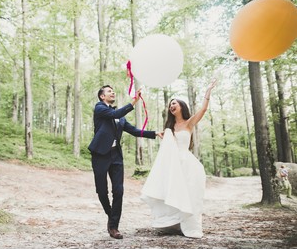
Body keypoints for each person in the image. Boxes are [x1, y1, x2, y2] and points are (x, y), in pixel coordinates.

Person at [141, 80, 216, 239]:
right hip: (173, 166)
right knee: (173, 192)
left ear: (181, 106)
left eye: (174, 103)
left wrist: (208, 91)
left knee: (190, 194)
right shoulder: (169, 128)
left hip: (188, 165)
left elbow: (203, 109)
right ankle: (173, 224)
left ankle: (190, 225)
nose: (171, 106)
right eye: (170, 105)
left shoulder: (189, 123)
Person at [88, 85, 162, 239]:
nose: (113, 92)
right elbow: (115, 112)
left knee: (119, 191)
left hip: (116, 157)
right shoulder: (100, 108)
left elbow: (134, 130)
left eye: (113, 91)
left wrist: (154, 133)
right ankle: (111, 215)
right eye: (109, 91)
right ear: (102, 96)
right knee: (102, 191)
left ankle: (114, 226)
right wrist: (134, 101)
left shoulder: (120, 117)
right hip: (100, 154)